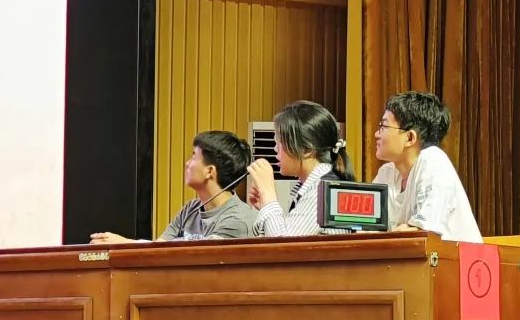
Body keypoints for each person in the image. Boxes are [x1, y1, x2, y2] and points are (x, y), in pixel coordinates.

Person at [90, 130, 254, 243]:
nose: (187, 163)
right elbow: (160, 248)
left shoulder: (237, 221)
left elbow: (195, 259)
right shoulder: (191, 209)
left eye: (193, 156)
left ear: (210, 171)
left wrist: (125, 244)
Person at [372, 91, 482, 242]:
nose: (376, 134)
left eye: (383, 126)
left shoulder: (433, 161)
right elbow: (369, 227)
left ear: (410, 137)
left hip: (457, 257)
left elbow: (423, 233)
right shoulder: (386, 173)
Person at [247, 100, 355, 236]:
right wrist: (265, 206)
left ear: (307, 150)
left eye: (280, 142)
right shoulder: (316, 185)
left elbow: (282, 244)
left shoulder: (321, 191)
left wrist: (268, 194)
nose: (275, 149)